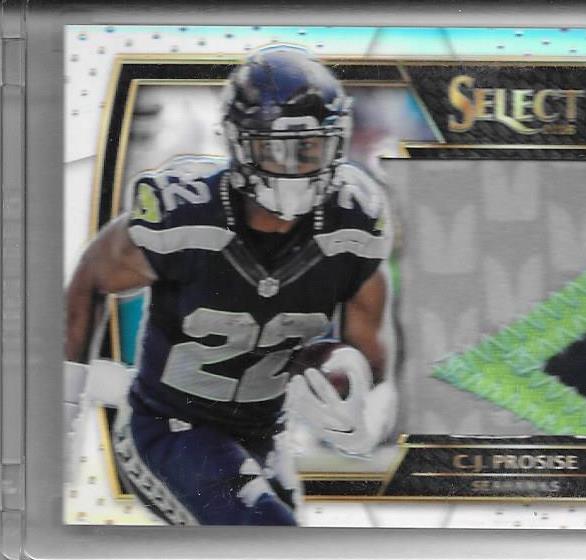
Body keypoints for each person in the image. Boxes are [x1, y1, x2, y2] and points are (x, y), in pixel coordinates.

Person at [65, 45, 396, 526]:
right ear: (240, 143)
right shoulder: (186, 212)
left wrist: (368, 418)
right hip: (171, 430)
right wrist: (63, 410)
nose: (293, 166)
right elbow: (90, 278)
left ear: (336, 143)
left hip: (264, 435)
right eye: (274, 148)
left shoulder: (354, 221)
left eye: (308, 147)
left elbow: (373, 359)